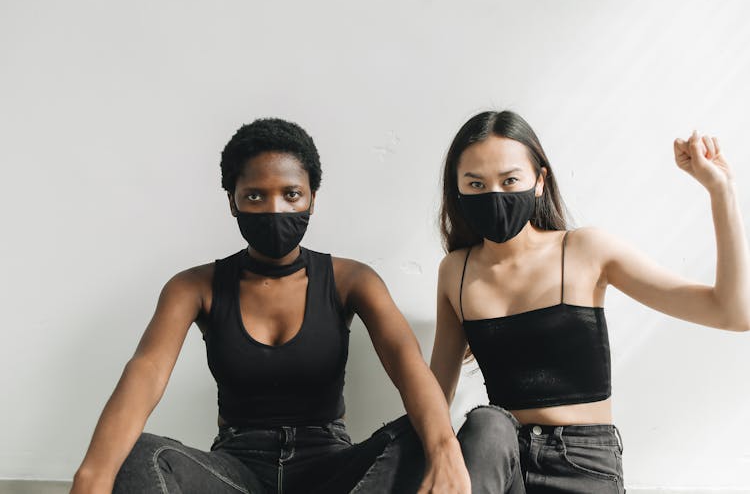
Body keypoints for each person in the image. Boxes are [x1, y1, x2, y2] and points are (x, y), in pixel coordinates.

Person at [70, 118, 472, 494]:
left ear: (312, 199)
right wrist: (93, 474)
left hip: (331, 467)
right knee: (135, 454)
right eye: (255, 196)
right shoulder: (193, 287)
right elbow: (147, 371)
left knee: (421, 436)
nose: (274, 209)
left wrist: (444, 449)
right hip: (237, 469)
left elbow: (409, 365)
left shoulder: (353, 280)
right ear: (233, 202)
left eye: (291, 194)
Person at [428, 110, 749, 493]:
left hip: (582, 462)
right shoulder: (455, 272)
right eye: (476, 184)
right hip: (500, 460)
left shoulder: (585, 251)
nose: (495, 195)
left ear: (539, 182)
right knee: (486, 423)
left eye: (510, 180)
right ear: (458, 190)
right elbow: (434, 396)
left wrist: (721, 191)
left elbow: (731, 313)